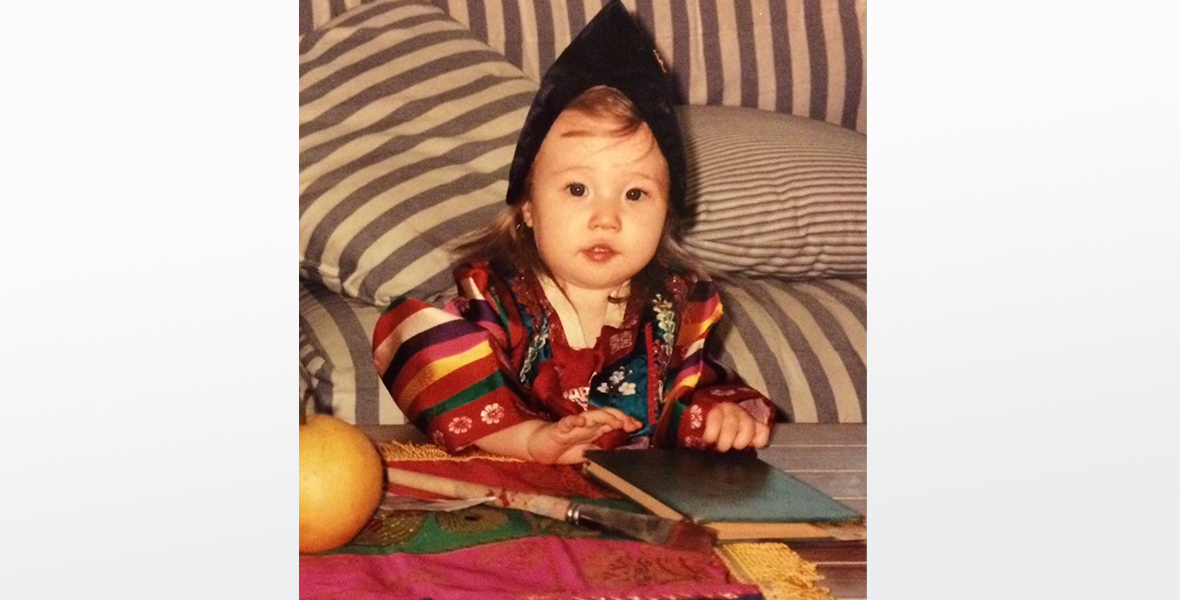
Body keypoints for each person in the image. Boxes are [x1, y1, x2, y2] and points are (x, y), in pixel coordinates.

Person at [371, 0, 775, 464]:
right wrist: (530, 439)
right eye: (578, 188)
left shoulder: (672, 309)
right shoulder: (495, 302)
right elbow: (422, 355)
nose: (607, 218)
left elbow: (698, 391)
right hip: (515, 486)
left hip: (633, 501)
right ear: (527, 206)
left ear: (667, 215)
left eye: (636, 194)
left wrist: (720, 418)